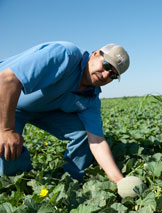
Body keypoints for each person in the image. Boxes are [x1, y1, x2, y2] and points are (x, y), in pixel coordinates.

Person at [0, 41, 129, 186]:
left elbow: (97, 141)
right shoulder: (65, 56)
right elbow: (7, 80)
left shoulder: (91, 97)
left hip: (42, 110)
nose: (105, 74)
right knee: (7, 147)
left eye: (112, 75)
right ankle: (19, 187)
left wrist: (119, 180)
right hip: (5, 99)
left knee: (84, 134)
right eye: (106, 66)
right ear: (95, 54)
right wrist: (6, 130)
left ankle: (69, 183)